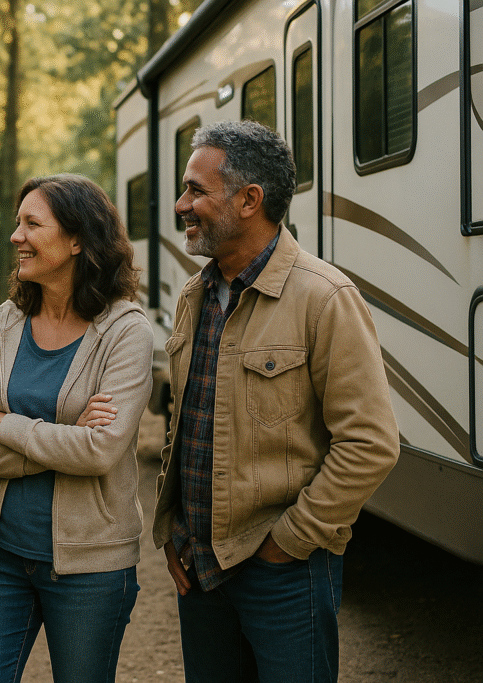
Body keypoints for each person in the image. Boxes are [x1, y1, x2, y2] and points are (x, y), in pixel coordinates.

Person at [153, 120, 400, 682]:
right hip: (201, 568)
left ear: (248, 200)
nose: (180, 204)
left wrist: (290, 541)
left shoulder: (324, 298)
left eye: (196, 189)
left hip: (285, 574)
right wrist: (174, 526)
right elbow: (186, 424)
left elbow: (371, 443)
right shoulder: (196, 295)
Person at [0, 174, 154, 683]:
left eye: (31, 224)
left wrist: (7, 425)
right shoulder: (1, 323)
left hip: (91, 569)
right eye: (18, 223)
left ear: (77, 240)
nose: (16, 236)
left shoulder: (126, 331)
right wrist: (61, 439)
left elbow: (101, 451)